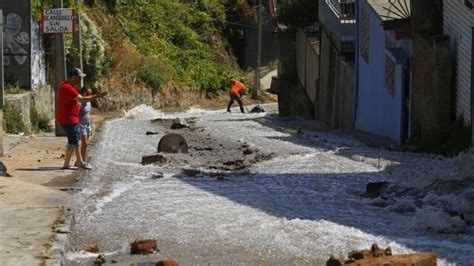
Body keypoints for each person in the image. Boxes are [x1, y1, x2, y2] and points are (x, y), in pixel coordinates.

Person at [57, 68, 107, 170]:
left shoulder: (66, 85)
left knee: (75, 141)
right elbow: (83, 99)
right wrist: (98, 96)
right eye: (79, 78)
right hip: (69, 119)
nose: (80, 80)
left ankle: (76, 162)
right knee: (74, 141)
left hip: (69, 118)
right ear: (74, 77)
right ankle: (74, 163)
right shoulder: (68, 88)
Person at [78, 86, 93, 167]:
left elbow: (89, 114)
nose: (90, 95)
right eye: (88, 93)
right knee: (85, 144)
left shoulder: (89, 102)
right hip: (81, 125)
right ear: (83, 93)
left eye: (91, 93)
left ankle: (81, 161)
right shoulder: (79, 102)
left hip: (87, 125)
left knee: (85, 145)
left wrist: (90, 125)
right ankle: (83, 162)